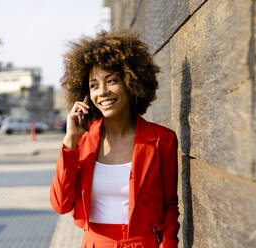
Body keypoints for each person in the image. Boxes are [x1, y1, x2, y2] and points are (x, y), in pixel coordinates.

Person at [50, 30, 180, 248]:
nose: (102, 92)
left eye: (111, 81)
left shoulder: (162, 139)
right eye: (93, 85)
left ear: (131, 83)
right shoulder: (81, 142)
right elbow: (61, 204)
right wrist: (70, 141)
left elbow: (169, 206)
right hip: (94, 242)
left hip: (143, 243)